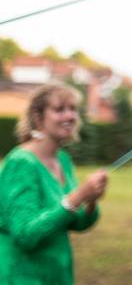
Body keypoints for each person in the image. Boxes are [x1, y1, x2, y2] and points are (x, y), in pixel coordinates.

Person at [0, 82, 108, 285]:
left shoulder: (63, 160)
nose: (70, 116)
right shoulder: (21, 163)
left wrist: (91, 200)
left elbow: (76, 223)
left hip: (57, 274)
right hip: (22, 276)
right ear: (38, 117)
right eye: (59, 109)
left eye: (73, 109)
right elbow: (25, 234)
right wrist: (76, 198)